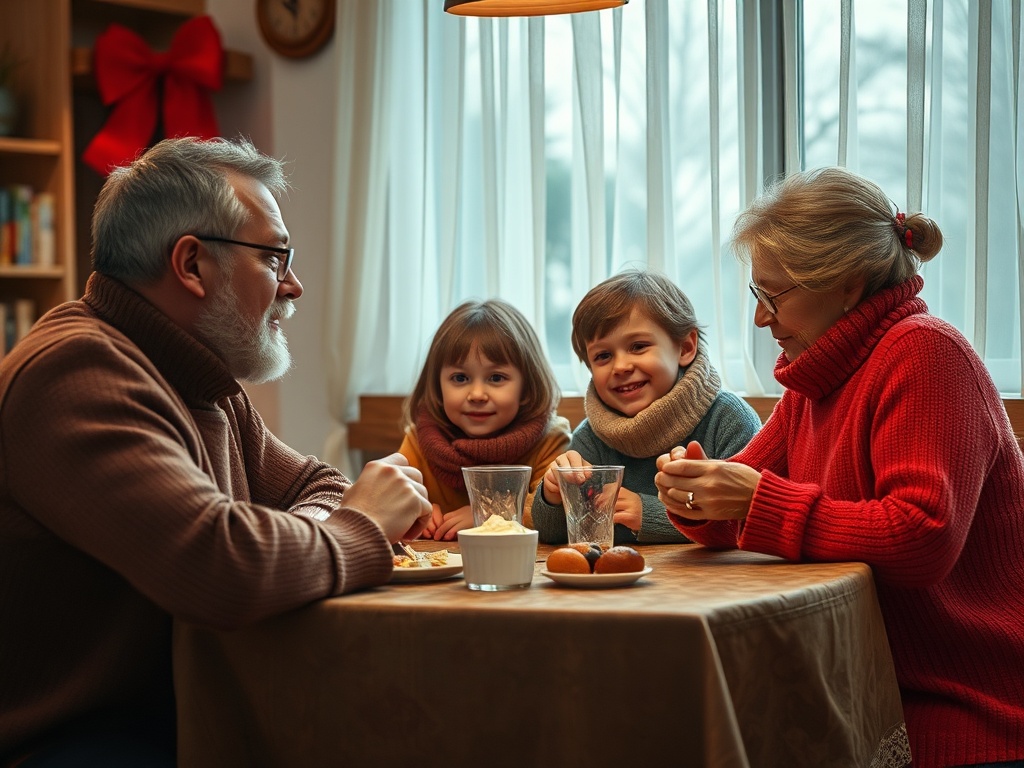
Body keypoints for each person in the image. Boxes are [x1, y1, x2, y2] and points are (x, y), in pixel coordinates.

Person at [0, 137, 432, 767]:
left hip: (176, 714)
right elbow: (222, 566)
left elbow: (313, 485)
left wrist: (316, 525)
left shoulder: (197, 373)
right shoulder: (76, 372)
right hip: (81, 742)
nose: (294, 286)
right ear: (192, 264)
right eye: (275, 258)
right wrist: (359, 528)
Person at [654, 167, 1024, 768]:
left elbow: (921, 537)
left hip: (966, 714)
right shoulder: (818, 379)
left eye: (773, 296)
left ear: (848, 285)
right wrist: (695, 494)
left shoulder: (927, 352)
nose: (760, 319)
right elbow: (735, 513)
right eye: (756, 295)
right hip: (865, 694)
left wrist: (752, 499)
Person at [531, 270, 762, 545]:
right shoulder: (591, 438)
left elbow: (746, 519)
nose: (621, 366)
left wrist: (649, 514)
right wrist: (553, 495)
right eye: (603, 356)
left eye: (638, 346)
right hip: (616, 572)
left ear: (685, 348)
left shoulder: (730, 420)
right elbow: (553, 533)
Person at [398, 299, 571, 540]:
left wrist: (490, 516)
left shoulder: (550, 440)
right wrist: (415, 510)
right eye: (460, 378)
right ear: (438, 387)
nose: (477, 394)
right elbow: (391, 499)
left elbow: (554, 515)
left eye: (496, 378)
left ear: (527, 388)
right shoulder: (418, 441)